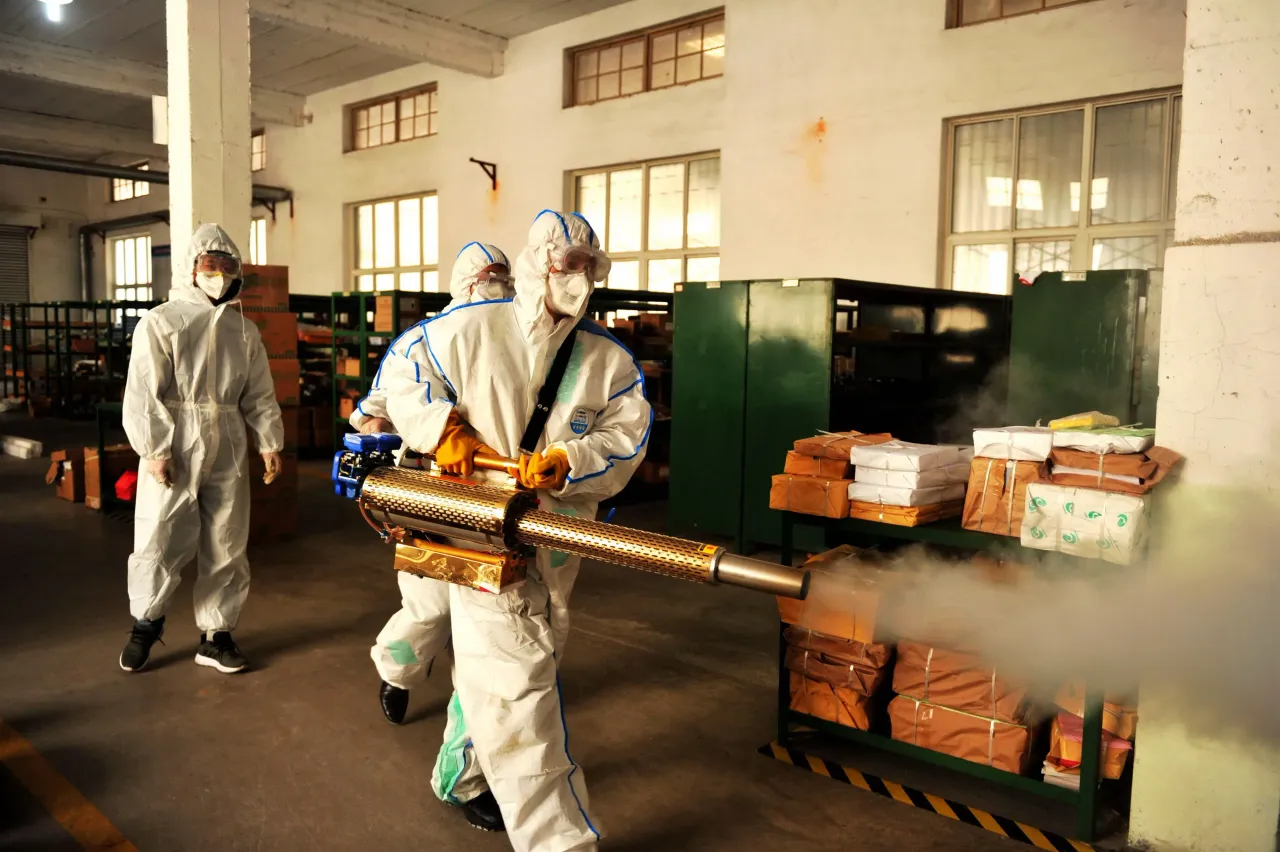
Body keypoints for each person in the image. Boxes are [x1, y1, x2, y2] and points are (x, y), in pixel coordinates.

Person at [378, 210, 651, 848]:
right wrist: (441, 429)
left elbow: (626, 435)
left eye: (588, 267)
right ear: (537, 263)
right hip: (478, 532)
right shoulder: (471, 329)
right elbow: (403, 373)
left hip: (556, 539)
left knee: (531, 656)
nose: (576, 279)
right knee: (519, 684)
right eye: (565, 264)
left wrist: (569, 462)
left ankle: (462, 773)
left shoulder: (607, 361)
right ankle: (558, 840)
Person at [356, 243, 513, 726]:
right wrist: (389, 433)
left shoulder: (520, 339)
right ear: (466, 283)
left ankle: (477, 716)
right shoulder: (423, 340)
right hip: (431, 489)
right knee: (430, 602)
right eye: (491, 279)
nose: (500, 289)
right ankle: (397, 669)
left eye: (505, 280)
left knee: (497, 608)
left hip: (501, 493)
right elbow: (375, 407)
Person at [118, 223, 284, 675]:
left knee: (227, 539)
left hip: (227, 442)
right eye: (209, 265)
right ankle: (145, 625)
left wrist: (269, 441)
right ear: (191, 269)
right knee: (159, 534)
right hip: (176, 441)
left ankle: (216, 636)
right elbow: (142, 394)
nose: (218, 274)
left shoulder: (244, 332)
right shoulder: (162, 321)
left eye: (227, 266)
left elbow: (260, 393)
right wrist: (154, 449)